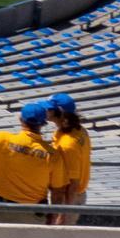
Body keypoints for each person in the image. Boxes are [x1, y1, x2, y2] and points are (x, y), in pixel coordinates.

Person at [48, 93, 91, 222]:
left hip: (67, 199)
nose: (46, 110)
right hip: (70, 197)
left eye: (49, 108)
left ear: (59, 113)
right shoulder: (79, 131)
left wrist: (63, 215)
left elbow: (73, 184)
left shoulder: (68, 144)